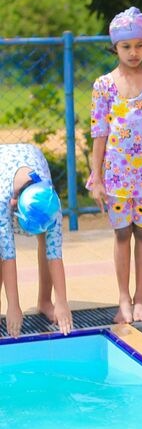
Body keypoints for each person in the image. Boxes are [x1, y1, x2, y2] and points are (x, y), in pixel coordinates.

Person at [87, 6, 142, 324]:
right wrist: (96, 177)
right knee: (121, 235)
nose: (134, 52)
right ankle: (123, 299)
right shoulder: (103, 86)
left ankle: (140, 298)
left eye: (139, 45)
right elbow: (99, 133)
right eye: (126, 46)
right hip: (116, 179)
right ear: (115, 47)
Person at [0, 143, 73, 337]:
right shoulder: (3, 202)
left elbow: (54, 254)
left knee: (47, 240)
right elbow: (8, 256)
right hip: (4, 169)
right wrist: (13, 306)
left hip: (33, 157)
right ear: (15, 207)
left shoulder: (50, 204)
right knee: (1, 247)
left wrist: (62, 302)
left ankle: (45, 301)